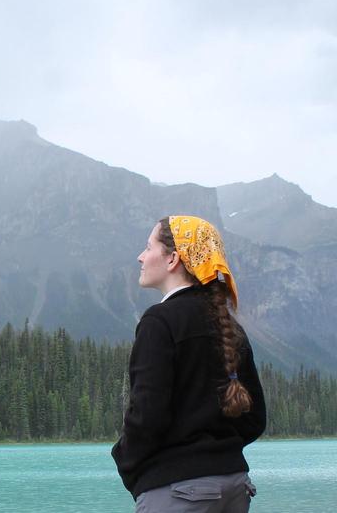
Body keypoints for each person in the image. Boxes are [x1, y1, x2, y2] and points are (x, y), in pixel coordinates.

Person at [112, 216, 266, 512]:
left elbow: (147, 414)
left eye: (148, 247)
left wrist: (126, 461)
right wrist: (219, 452)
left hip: (178, 491)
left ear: (172, 259)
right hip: (235, 486)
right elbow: (255, 417)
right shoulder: (230, 326)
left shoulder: (159, 322)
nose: (140, 256)